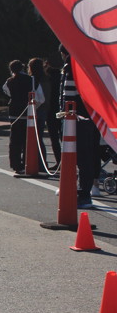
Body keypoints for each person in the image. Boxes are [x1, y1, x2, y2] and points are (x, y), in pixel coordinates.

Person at [59, 45, 101, 208]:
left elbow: (68, 95)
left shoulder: (72, 65)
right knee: (90, 153)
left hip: (76, 117)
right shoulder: (89, 63)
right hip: (93, 115)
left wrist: (65, 113)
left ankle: (82, 194)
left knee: (77, 156)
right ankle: (86, 191)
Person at [2, 59, 40, 174]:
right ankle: (26, 163)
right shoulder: (31, 80)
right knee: (26, 140)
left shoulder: (9, 81)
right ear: (23, 68)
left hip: (14, 113)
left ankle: (15, 164)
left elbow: (6, 91)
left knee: (14, 140)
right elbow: (40, 97)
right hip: (27, 112)